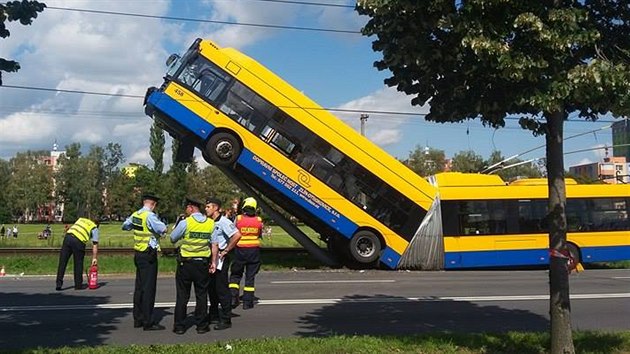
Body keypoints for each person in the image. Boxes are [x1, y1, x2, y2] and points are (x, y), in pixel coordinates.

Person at [122, 194, 167, 331]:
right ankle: (148, 321)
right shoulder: (150, 216)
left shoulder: (136, 214)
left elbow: (125, 226)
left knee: (139, 287)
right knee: (148, 288)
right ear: (153, 204)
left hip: (138, 253)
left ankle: (138, 318)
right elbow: (163, 229)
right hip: (148, 254)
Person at [170, 197, 215, 335]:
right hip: (202, 264)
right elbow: (214, 244)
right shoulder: (210, 223)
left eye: (187, 208)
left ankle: (179, 326)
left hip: (186, 264)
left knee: (182, 296)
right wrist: (213, 262)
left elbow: (173, 238)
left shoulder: (186, 222)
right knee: (201, 295)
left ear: (191, 208)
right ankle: (201, 325)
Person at [205, 197, 242, 330]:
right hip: (211, 257)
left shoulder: (224, 222)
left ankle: (226, 318)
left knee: (221, 288)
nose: (206, 209)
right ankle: (213, 314)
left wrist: (226, 249)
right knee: (211, 288)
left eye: (208, 207)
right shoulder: (208, 222)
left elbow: (237, 235)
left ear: (215, 208)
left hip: (220, 257)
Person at [229, 197, 263, 310]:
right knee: (250, 277)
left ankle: (233, 299)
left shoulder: (238, 219)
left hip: (240, 251)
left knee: (235, 275)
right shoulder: (259, 220)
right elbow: (259, 233)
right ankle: (247, 303)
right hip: (254, 251)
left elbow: (233, 232)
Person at [55, 217, 99, 290]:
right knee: (78, 263)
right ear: (97, 224)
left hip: (68, 237)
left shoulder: (81, 219)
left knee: (62, 262)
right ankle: (78, 285)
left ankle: (58, 284)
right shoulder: (94, 227)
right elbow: (95, 244)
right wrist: (94, 258)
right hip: (79, 242)